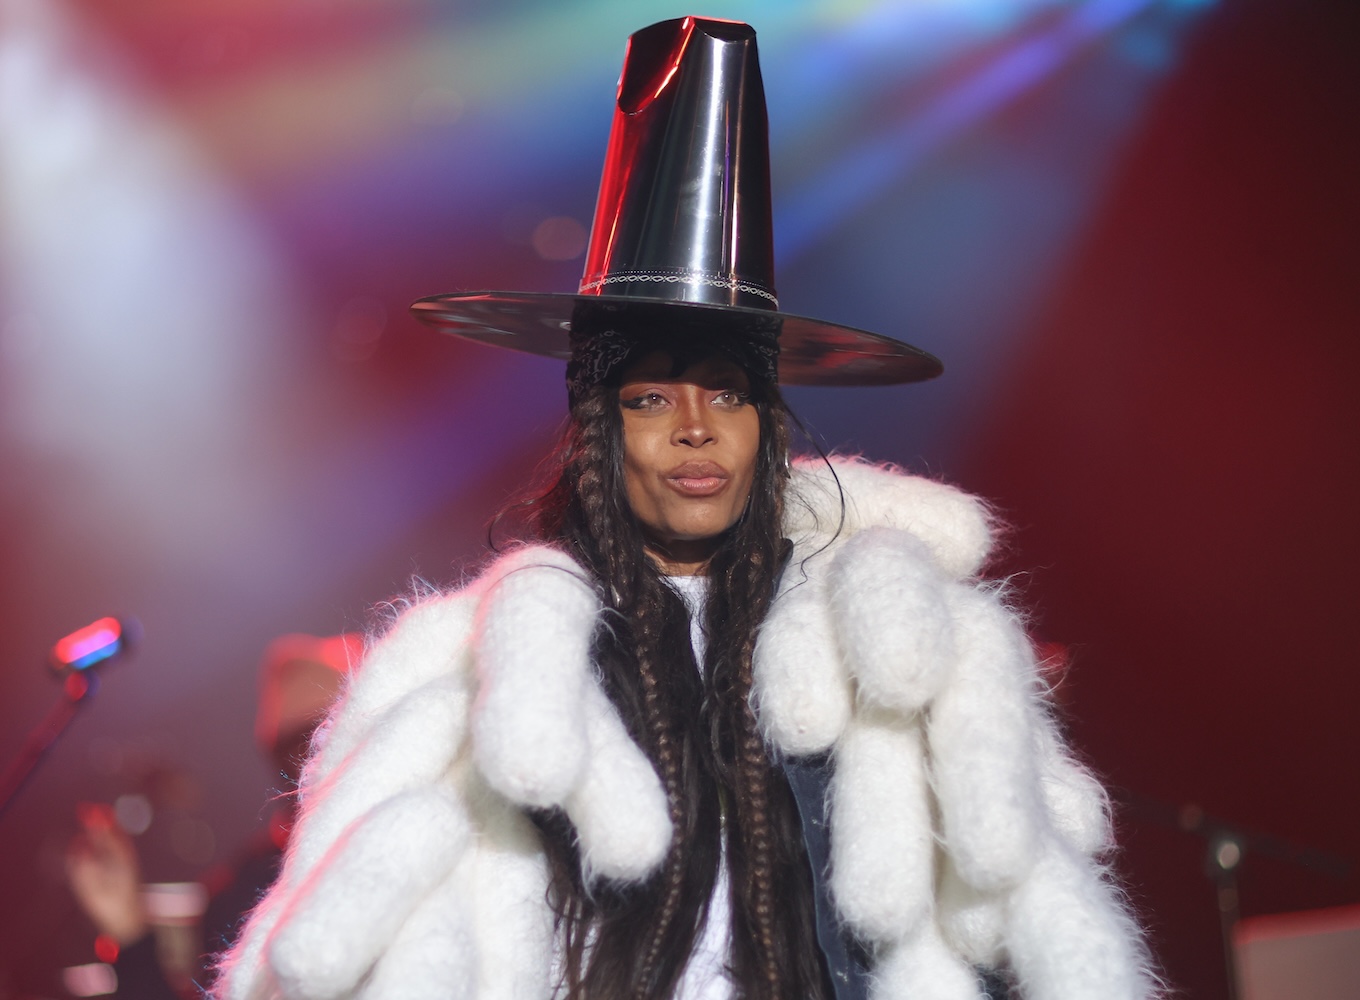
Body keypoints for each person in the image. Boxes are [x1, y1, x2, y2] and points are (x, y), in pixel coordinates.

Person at [215, 16, 1157, 1000]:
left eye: (728, 392)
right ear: (597, 429)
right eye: (651, 396)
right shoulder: (484, 675)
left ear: (769, 422)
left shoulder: (888, 655)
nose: (695, 428)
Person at [64, 634, 358, 999]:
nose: (313, 760)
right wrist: (128, 929)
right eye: (299, 745)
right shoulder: (249, 891)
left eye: (327, 730)